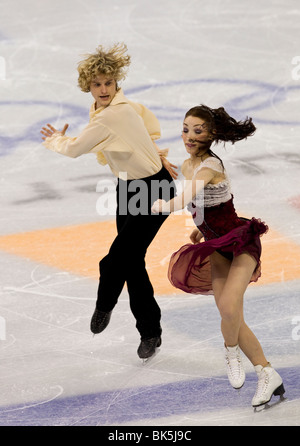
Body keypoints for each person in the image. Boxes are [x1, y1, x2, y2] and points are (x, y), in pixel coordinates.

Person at [40, 43, 177, 360]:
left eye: (108, 83)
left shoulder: (113, 115)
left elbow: (74, 150)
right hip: (129, 187)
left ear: (117, 83)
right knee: (132, 262)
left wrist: (54, 140)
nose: (103, 89)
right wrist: (153, 154)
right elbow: (145, 127)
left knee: (113, 261)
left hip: (152, 190)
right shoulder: (115, 109)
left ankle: (105, 307)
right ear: (88, 86)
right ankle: (151, 332)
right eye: (97, 84)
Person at [151, 105, 285, 408]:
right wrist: (202, 229)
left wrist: (161, 205)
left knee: (227, 306)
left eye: (198, 130)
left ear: (211, 134)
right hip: (215, 245)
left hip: (241, 243)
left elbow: (184, 199)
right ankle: (267, 373)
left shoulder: (209, 165)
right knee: (232, 314)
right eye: (185, 128)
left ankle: (230, 351)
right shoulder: (188, 165)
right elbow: (204, 204)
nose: (189, 135)